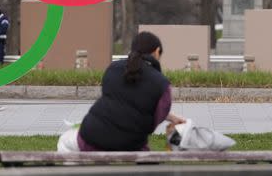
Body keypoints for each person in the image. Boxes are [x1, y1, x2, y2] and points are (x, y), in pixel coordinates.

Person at [58, 31, 186, 152]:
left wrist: (171, 117)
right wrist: (172, 119)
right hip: (131, 146)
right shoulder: (162, 85)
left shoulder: (112, 69)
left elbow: (120, 106)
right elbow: (150, 115)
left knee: (64, 141)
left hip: (92, 139)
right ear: (157, 51)